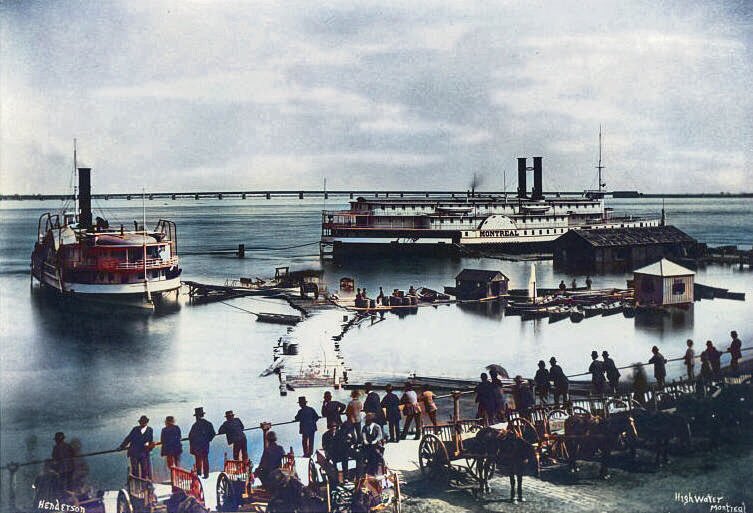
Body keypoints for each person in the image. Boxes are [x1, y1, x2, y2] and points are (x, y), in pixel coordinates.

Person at [188, 407, 215, 479]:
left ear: (196, 416)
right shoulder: (208, 423)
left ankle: (199, 474)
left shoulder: (195, 425)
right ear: (202, 415)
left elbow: (190, 436)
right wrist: (208, 440)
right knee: (205, 459)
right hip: (205, 445)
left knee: (198, 460)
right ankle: (206, 475)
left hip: (197, 446)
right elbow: (213, 434)